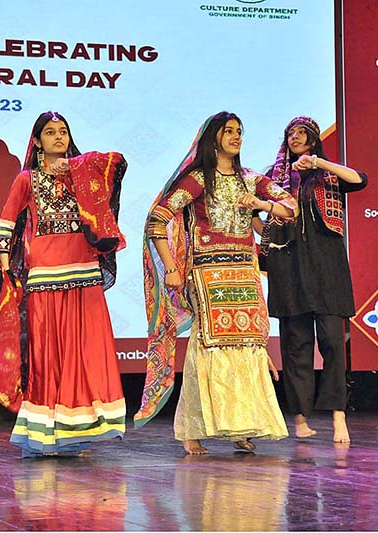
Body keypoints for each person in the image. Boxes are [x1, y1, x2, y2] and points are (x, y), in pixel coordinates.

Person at [134, 111, 296, 455]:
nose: (237, 137)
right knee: (208, 348)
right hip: (207, 273)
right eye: (229, 131)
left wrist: (261, 204)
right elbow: (157, 221)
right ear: (213, 137)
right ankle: (190, 430)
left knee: (249, 344)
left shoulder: (251, 180)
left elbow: (290, 208)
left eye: (240, 131)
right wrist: (171, 268)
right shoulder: (198, 180)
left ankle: (243, 424)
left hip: (244, 272)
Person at [0, 111, 127, 457]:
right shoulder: (27, 179)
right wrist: (5, 265)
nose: (58, 138)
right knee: (49, 356)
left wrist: (80, 167)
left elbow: (119, 163)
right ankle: (48, 433)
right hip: (46, 273)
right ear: (37, 142)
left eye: (63, 131)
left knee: (86, 352)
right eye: (50, 133)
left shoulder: (84, 174)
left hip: (84, 270)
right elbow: (7, 221)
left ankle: (82, 431)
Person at [259, 116, 367, 443]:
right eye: (290, 133)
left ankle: (338, 416)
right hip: (288, 264)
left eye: (301, 133)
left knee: (333, 342)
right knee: (296, 344)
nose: (295, 137)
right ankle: (301, 418)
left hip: (327, 264)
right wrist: (268, 231)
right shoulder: (275, 177)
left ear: (313, 139)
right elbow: (252, 207)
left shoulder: (327, 173)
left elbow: (360, 180)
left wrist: (320, 163)